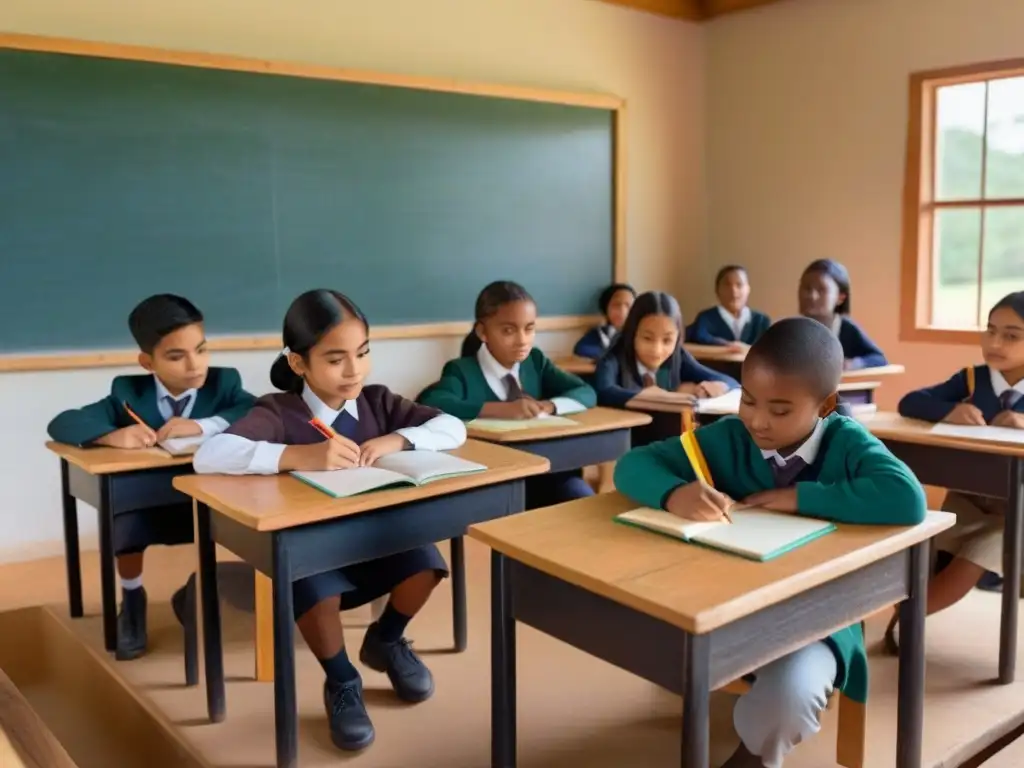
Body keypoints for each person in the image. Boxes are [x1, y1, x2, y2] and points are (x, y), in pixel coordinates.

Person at [614, 317, 925, 767]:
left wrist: (802, 497)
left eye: (780, 410)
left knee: (790, 698)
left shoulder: (847, 443)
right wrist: (674, 492)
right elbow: (633, 464)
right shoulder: (728, 437)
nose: (758, 421)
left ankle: (752, 757)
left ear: (826, 405)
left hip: (820, 615)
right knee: (647, 632)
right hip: (727, 600)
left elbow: (908, 499)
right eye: (748, 400)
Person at [192, 289, 466, 751]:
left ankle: (386, 639)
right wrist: (301, 455)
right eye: (335, 359)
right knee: (316, 589)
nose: (354, 370)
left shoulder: (377, 402)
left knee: (428, 561)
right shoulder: (279, 411)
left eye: (362, 353)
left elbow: (453, 427)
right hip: (314, 556)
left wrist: (398, 440)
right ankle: (341, 679)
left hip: (377, 540)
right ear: (299, 364)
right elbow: (210, 455)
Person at [47, 294, 255, 661]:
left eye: (202, 350)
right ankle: (132, 599)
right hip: (151, 502)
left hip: (210, 502)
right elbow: (63, 422)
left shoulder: (223, 384)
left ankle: (207, 593)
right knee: (123, 521)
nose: (195, 365)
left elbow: (257, 410)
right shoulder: (128, 394)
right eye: (176, 356)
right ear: (148, 362)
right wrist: (110, 435)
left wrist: (202, 424)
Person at [886, 291, 1024, 651]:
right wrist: (947, 412)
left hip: (1018, 513)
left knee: (984, 548)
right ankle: (904, 620)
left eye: (1012, 335)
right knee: (927, 536)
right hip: (970, 501)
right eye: (990, 330)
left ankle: (910, 619)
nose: (995, 342)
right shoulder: (973, 379)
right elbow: (910, 401)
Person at [419, 280, 596, 507]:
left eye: (529, 328)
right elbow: (433, 402)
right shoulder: (462, 369)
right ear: (482, 331)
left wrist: (548, 406)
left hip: (545, 470)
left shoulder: (535, 362)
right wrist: (500, 409)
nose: (522, 340)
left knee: (579, 495)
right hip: (491, 479)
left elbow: (586, 391)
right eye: (508, 330)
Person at [593, 291, 738, 408]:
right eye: (647, 338)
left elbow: (730, 381)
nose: (657, 350)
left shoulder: (678, 355)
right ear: (632, 333)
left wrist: (717, 386)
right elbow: (604, 392)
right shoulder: (613, 356)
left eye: (667, 340)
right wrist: (662, 396)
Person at [798, 259, 887, 370]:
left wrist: (852, 364)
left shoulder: (846, 328)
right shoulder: (792, 329)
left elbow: (879, 359)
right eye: (807, 288)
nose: (812, 296)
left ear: (840, 297)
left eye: (821, 290)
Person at [685, 265, 770, 348]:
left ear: (748, 289)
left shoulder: (761, 321)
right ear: (717, 290)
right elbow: (700, 338)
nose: (733, 290)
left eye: (739, 285)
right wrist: (728, 345)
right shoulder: (705, 318)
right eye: (727, 285)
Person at [573, 282, 636, 359]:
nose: (622, 311)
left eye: (628, 305)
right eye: (616, 305)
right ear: (606, 309)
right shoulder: (600, 333)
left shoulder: (640, 333)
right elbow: (581, 349)